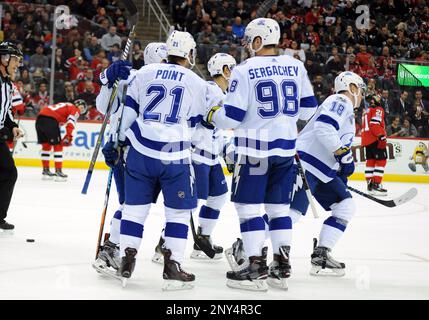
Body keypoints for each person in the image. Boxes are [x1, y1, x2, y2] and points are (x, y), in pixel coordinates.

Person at [206, 18, 318, 291]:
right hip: (285, 151)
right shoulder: (296, 65)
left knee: (248, 209)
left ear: (258, 41)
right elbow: (308, 110)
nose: (247, 44)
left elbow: (231, 117)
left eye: (249, 39)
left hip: (254, 151)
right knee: (279, 209)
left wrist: (211, 115)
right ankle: (281, 264)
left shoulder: (244, 70)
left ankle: (254, 265)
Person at [104, 31, 219, 290]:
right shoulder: (196, 81)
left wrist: (117, 141)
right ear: (189, 54)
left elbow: (128, 113)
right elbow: (204, 123)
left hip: (140, 152)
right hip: (174, 156)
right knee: (178, 213)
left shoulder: (144, 74)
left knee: (134, 210)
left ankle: (126, 260)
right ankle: (173, 266)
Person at [151, 53, 237, 264]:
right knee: (188, 203)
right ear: (224, 70)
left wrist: (227, 152)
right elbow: (201, 119)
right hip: (197, 153)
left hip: (211, 155)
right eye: (232, 69)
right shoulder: (207, 89)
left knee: (219, 195)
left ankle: (202, 239)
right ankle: (163, 244)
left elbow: (219, 130)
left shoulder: (223, 94)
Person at [92, 43, 167, 275]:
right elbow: (105, 107)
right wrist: (107, 80)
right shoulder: (132, 78)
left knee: (172, 206)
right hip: (125, 150)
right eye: (166, 60)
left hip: (160, 153)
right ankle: (111, 248)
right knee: (131, 204)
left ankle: (166, 242)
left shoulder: (174, 82)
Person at [297, 71, 366, 276]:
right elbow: (325, 127)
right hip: (306, 165)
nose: (361, 95)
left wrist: (340, 168)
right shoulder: (340, 100)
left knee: (345, 206)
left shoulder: (346, 111)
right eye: (360, 90)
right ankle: (246, 248)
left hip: (323, 171)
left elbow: (331, 139)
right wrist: (343, 156)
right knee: (289, 214)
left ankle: (321, 254)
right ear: (352, 88)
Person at [0, 42, 24, 232]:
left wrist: (12, 125)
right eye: (15, 59)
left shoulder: (7, 84)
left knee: (8, 173)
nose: (17, 64)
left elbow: (6, 110)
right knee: (8, 172)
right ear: (4, 58)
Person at [35, 99, 88, 181]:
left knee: (46, 146)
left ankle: (46, 171)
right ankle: (58, 172)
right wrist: (68, 136)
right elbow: (71, 123)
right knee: (58, 146)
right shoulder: (74, 109)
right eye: (82, 107)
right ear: (78, 105)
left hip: (39, 119)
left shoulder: (66, 106)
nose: (81, 110)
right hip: (50, 120)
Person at [361, 94, 388, 196]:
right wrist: (381, 136)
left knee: (370, 162)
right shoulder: (378, 109)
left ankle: (370, 185)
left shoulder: (366, 111)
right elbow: (374, 124)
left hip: (366, 140)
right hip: (375, 138)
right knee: (381, 161)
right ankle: (377, 185)